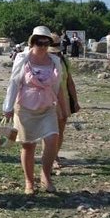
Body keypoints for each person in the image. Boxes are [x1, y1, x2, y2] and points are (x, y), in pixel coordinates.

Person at [2, 26, 64, 195]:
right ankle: (29, 182)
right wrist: (7, 107)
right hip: (25, 108)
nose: (42, 45)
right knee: (28, 146)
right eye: (38, 41)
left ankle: (46, 176)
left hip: (47, 107)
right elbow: (14, 82)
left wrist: (59, 105)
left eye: (46, 42)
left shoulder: (55, 60)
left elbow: (57, 85)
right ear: (32, 42)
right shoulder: (23, 58)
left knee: (52, 140)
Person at [48, 34, 80, 169]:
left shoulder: (64, 60)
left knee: (60, 131)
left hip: (64, 99)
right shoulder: (42, 61)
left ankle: (54, 155)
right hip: (47, 100)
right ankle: (49, 157)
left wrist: (75, 101)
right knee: (49, 131)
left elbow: (69, 82)